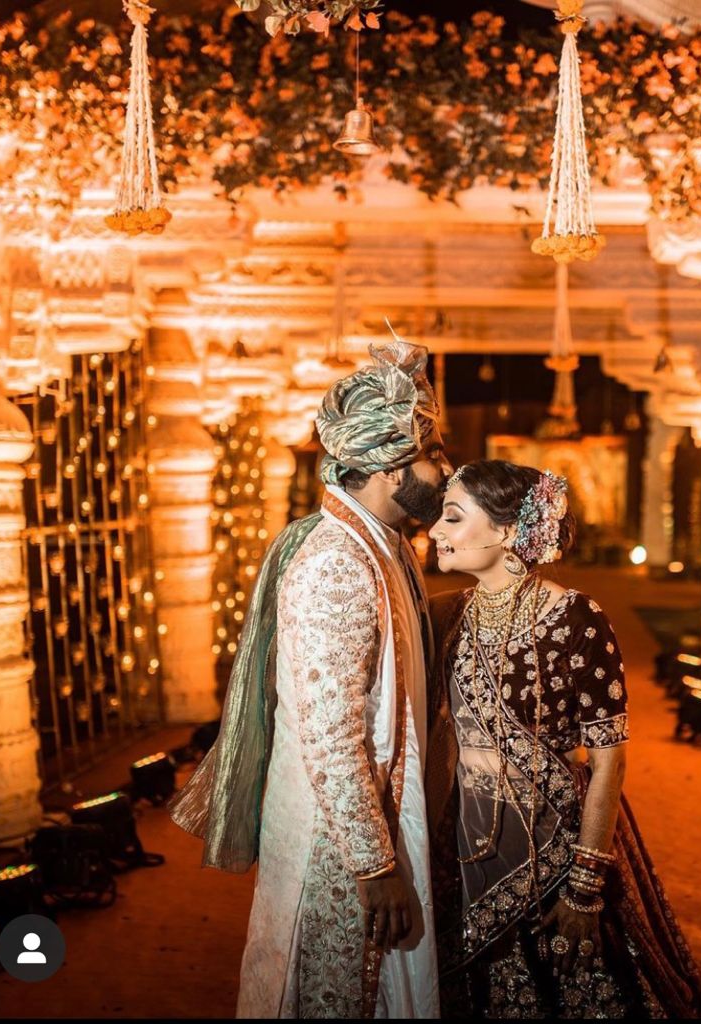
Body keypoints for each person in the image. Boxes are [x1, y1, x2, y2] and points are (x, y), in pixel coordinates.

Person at [169, 335, 453, 1019]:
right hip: (340, 845)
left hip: (369, 824)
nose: (447, 468)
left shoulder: (380, 544)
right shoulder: (335, 563)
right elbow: (331, 734)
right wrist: (374, 867)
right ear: (390, 468)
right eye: (434, 454)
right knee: (337, 995)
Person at [427, 459, 701, 1019]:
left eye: (453, 517)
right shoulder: (448, 616)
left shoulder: (578, 619)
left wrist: (585, 886)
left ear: (508, 532)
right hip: (463, 841)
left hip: (555, 841)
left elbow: (608, 764)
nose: (436, 530)